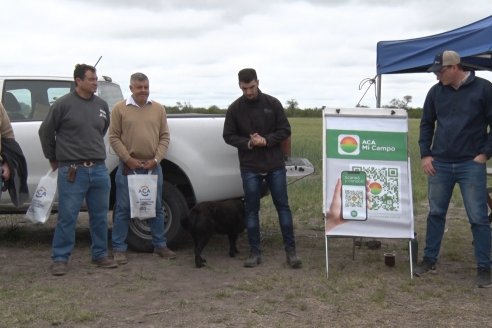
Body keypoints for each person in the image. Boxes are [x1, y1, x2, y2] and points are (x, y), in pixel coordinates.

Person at [417, 50, 492, 288]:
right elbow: (427, 124)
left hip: (471, 163)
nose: (437, 76)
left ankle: (484, 267)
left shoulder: (484, 89)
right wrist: (425, 154)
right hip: (439, 162)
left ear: (455, 67)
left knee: (478, 217)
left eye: (440, 71)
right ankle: (429, 260)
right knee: (436, 213)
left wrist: (484, 154)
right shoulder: (435, 92)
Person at [39, 64, 117, 276]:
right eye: (91, 79)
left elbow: (102, 128)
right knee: (68, 215)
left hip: (99, 170)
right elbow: (45, 131)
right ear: (78, 81)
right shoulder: (63, 104)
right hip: (73, 170)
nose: (95, 83)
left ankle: (100, 254)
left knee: (100, 216)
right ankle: (60, 258)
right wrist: (53, 157)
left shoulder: (101, 104)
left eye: (96, 79)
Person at [223, 68, 301, 268]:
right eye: (244, 88)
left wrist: (266, 141)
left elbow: (285, 130)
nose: (249, 92)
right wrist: (249, 143)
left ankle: (291, 252)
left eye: (252, 87)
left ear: (258, 82)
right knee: (251, 210)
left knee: (283, 207)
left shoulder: (273, 104)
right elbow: (228, 136)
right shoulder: (234, 109)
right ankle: (255, 253)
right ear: (239, 86)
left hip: (275, 165)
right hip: (250, 167)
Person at [109, 72, 176, 264]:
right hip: (128, 167)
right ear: (131, 88)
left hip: (152, 167)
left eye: (146, 87)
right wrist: (128, 159)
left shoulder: (158, 109)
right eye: (139, 87)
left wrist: (156, 159)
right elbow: (113, 137)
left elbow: (164, 137)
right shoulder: (119, 109)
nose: (143, 91)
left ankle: (160, 245)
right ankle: (119, 248)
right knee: (123, 208)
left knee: (155, 206)